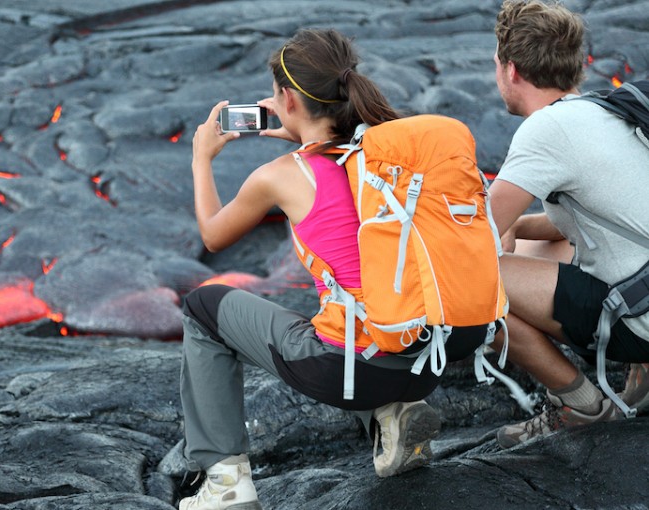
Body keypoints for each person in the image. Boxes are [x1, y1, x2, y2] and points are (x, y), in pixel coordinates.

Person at [178, 28, 499, 510]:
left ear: (288, 98)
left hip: (352, 372)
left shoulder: (280, 176)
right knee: (360, 292)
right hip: (425, 357)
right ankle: (392, 416)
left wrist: (202, 157)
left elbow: (212, 235)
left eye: (274, 94)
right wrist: (300, 128)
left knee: (203, 307)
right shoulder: (388, 161)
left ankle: (226, 484)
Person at [488, 0, 649, 449]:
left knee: (465, 284)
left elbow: (473, 233)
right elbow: (584, 223)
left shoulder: (546, 132)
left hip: (641, 319)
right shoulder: (598, 110)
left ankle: (582, 405)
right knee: (531, 251)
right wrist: (517, 228)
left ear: (511, 69)